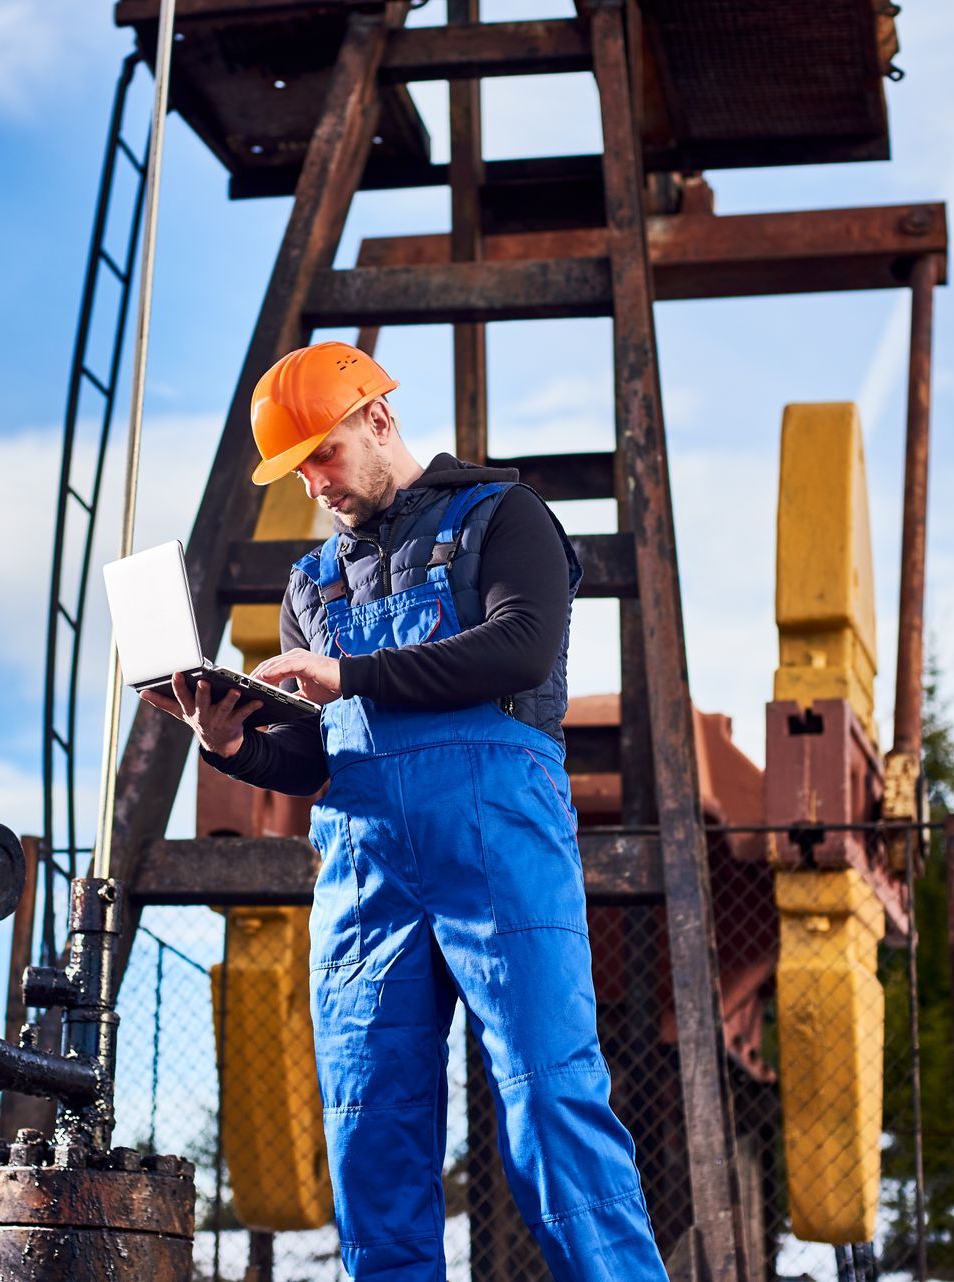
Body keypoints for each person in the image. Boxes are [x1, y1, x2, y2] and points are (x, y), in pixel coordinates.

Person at [141, 341, 667, 1282]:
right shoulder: (312, 587)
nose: (315, 484)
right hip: (363, 877)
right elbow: (312, 754)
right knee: (369, 1132)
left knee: (553, 1106)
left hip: (500, 851)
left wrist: (349, 674)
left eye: (324, 455)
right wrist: (231, 743)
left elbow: (516, 648)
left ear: (378, 420)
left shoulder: (506, 519)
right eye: (297, 471)